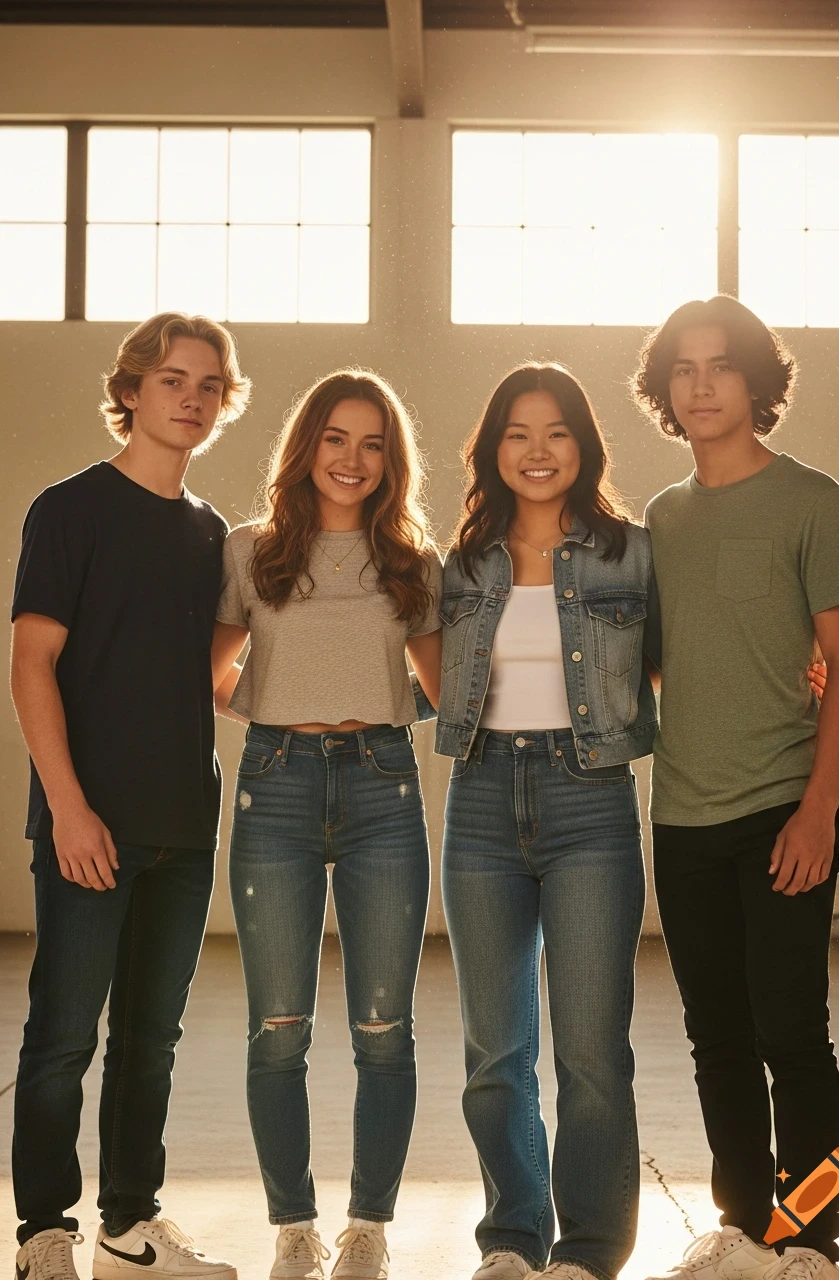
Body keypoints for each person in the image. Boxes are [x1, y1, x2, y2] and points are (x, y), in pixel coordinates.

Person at [631, 296, 839, 1280]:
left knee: (793, 1033)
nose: (698, 385)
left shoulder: (813, 501)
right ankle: (742, 1225)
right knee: (714, 1037)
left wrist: (816, 808)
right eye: (680, 369)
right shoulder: (657, 517)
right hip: (680, 816)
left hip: (782, 808)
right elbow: (659, 661)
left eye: (718, 366)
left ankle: (813, 1233)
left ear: (754, 382)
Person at [10, 313, 252, 1280]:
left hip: (184, 829)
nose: (190, 398)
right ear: (132, 390)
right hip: (89, 826)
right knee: (63, 1038)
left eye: (207, 385)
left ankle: (128, 1228)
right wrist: (67, 808)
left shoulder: (210, 536)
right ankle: (43, 1234)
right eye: (171, 380)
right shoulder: (68, 510)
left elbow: (209, 680)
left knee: (150, 1041)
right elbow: (32, 667)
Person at [211, 370, 442, 1280]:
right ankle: (293, 1227)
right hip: (277, 786)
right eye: (336, 438)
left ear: (392, 462)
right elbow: (208, 671)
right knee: (280, 1026)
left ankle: (369, 1229)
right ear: (305, 446)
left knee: (384, 1028)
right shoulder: (249, 552)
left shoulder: (411, 565)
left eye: (373, 442)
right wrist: (275, 716)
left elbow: (442, 687)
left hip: (384, 788)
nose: (353, 459)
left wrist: (371, 710)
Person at [435, 363, 661, 1280]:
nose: (537, 450)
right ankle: (512, 1239)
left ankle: (590, 1251)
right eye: (517, 433)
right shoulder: (459, 562)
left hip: (590, 800)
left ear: (584, 444)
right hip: (482, 800)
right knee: (496, 1054)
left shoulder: (633, 553)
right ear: (492, 449)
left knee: (592, 1053)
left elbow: (681, 658)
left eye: (556, 431)